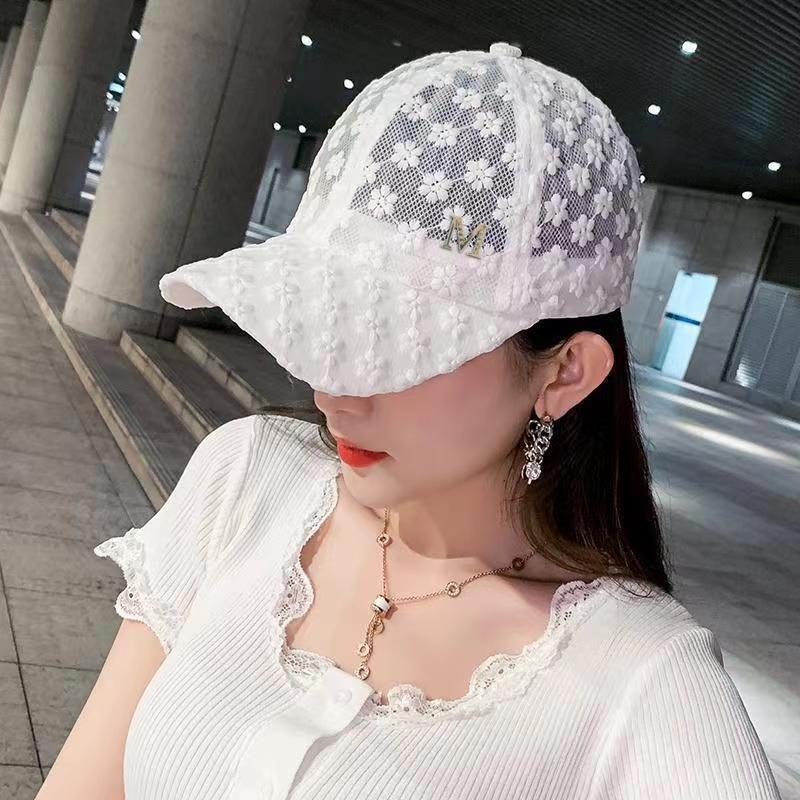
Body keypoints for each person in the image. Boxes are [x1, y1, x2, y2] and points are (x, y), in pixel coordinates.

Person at [40, 42, 780, 800]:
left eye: (402, 344)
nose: (334, 390)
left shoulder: (639, 682)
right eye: (333, 322)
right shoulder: (246, 477)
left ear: (564, 372)